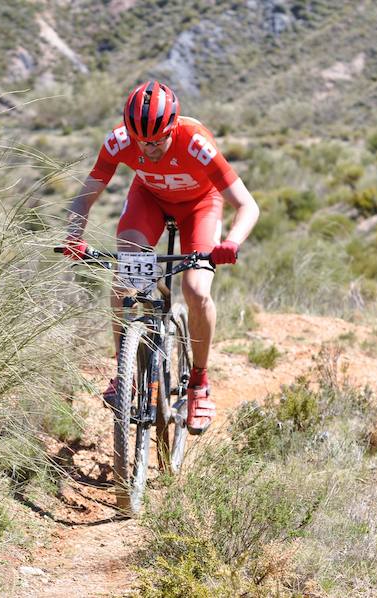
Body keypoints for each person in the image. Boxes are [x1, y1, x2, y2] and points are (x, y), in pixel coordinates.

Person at [64, 80, 259, 435]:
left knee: (196, 289)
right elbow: (84, 196)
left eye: (157, 141)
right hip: (150, 201)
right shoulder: (120, 141)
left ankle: (198, 383)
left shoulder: (196, 143)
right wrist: (73, 235)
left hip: (200, 206)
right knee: (125, 281)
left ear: (173, 128)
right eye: (142, 142)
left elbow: (247, 205)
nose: (149, 148)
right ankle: (125, 372)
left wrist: (232, 241)